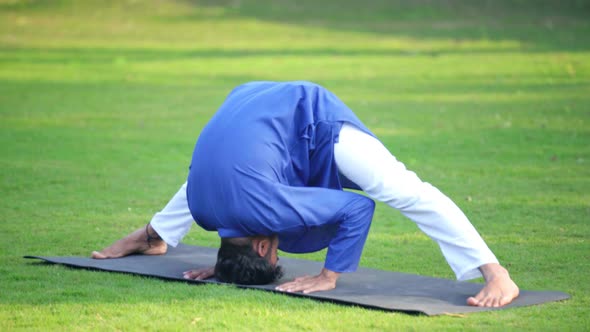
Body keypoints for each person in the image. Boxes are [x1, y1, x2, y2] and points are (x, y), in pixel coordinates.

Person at [92, 81, 519, 307]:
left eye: (274, 256)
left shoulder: (261, 206)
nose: (279, 253)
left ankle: (496, 273)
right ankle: (151, 236)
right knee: (221, 180)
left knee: (403, 189)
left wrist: (328, 274)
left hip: (312, 118)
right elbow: (209, 184)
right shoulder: (206, 209)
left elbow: (358, 207)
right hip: (252, 106)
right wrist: (223, 265)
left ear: (261, 245)